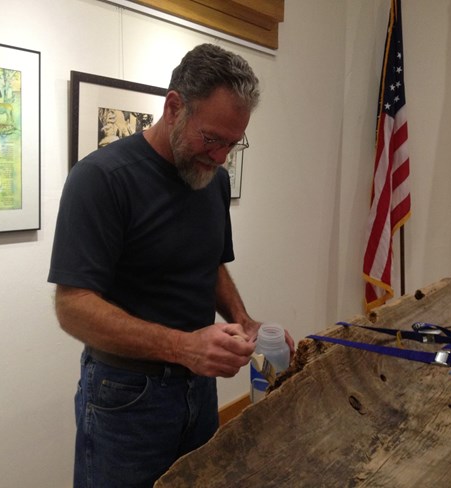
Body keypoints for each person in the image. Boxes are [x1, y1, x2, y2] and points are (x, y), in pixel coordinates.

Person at [48, 43, 294, 487]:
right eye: (212, 139)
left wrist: (244, 320)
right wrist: (185, 347)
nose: (221, 157)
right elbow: (73, 305)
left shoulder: (213, 180)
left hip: (199, 389)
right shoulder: (101, 179)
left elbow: (210, 263)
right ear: (174, 106)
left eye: (233, 144)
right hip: (125, 397)